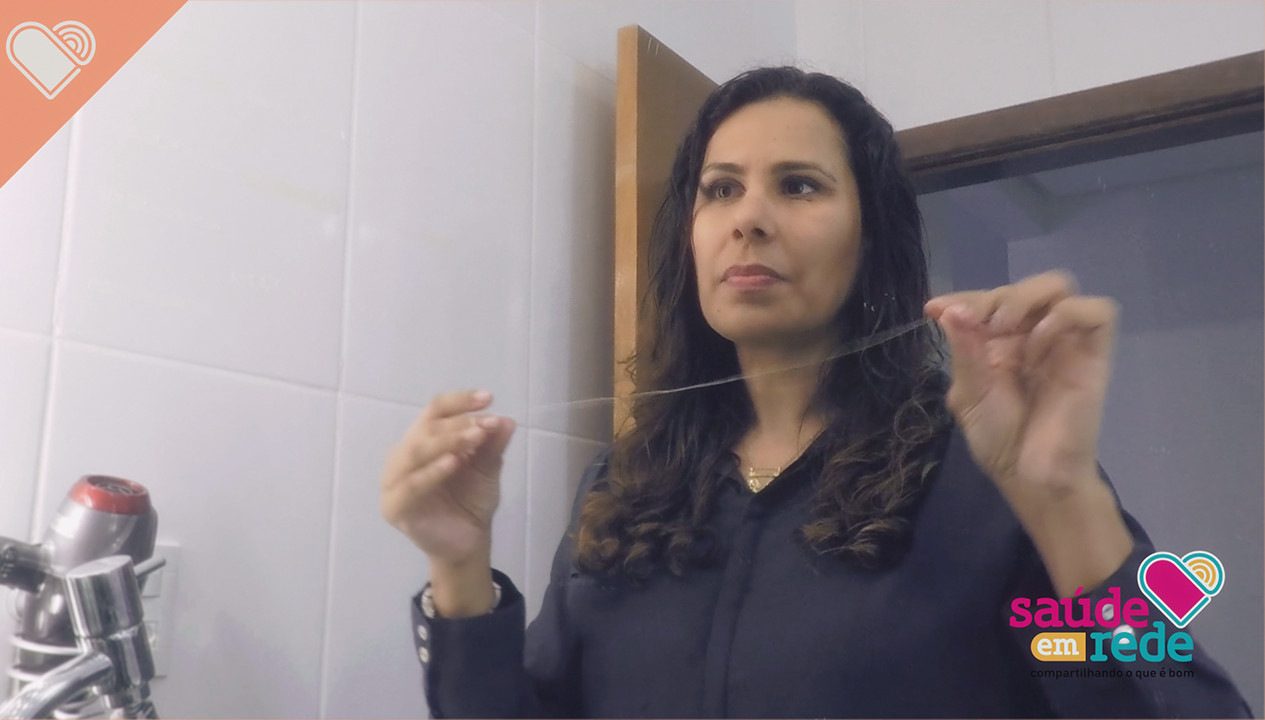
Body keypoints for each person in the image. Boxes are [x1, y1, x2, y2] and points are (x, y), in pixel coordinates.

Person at [379, 66, 1251, 718]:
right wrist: (459, 568)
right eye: (721, 189)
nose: (748, 218)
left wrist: (1062, 503)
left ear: (870, 240)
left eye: (799, 185)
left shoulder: (987, 483)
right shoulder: (625, 485)